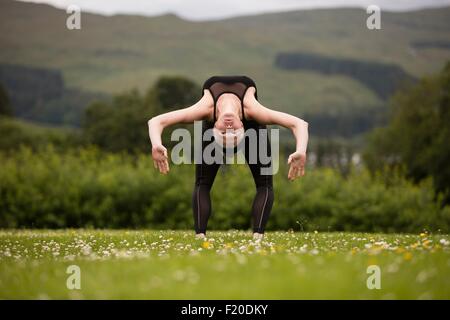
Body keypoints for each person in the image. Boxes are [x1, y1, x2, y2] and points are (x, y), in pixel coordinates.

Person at [148, 75, 309, 240]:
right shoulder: (253, 111)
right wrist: (301, 150)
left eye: (224, 132)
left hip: (249, 129)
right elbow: (299, 124)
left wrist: (156, 144)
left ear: (215, 127)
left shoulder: (205, 109)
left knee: (263, 184)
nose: (229, 127)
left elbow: (156, 122)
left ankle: (257, 237)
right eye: (232, 131)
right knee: (204, 183)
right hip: (253, 127)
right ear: (241, 125)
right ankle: (200, 237)